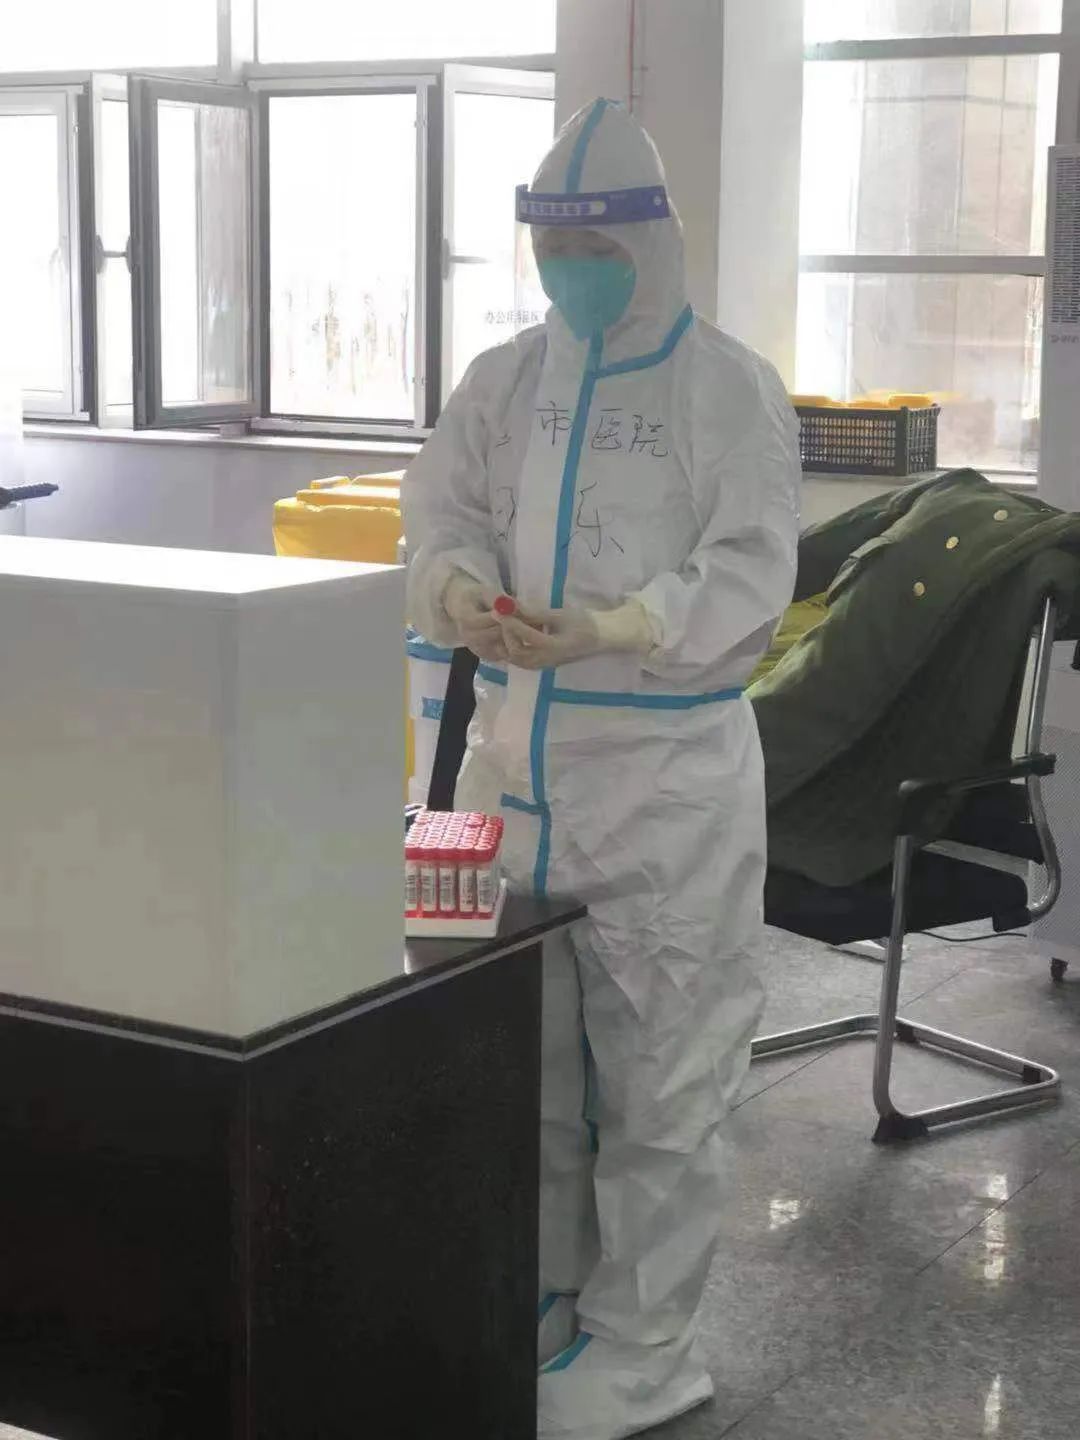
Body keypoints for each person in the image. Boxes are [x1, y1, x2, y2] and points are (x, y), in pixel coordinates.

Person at [404, 98, 801, 1440]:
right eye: (553, 247)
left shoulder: (725, 389)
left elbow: (752, 566)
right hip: (507, 764)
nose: (571, 272)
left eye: (596, 249)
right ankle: (540, 1298)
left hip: (660, 782)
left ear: (652, 245)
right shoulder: (505, 382)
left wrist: (628, 626)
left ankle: (645, 1347)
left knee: (663, 1074)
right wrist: (457, 588)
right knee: (516, 1062)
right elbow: (440, 511)